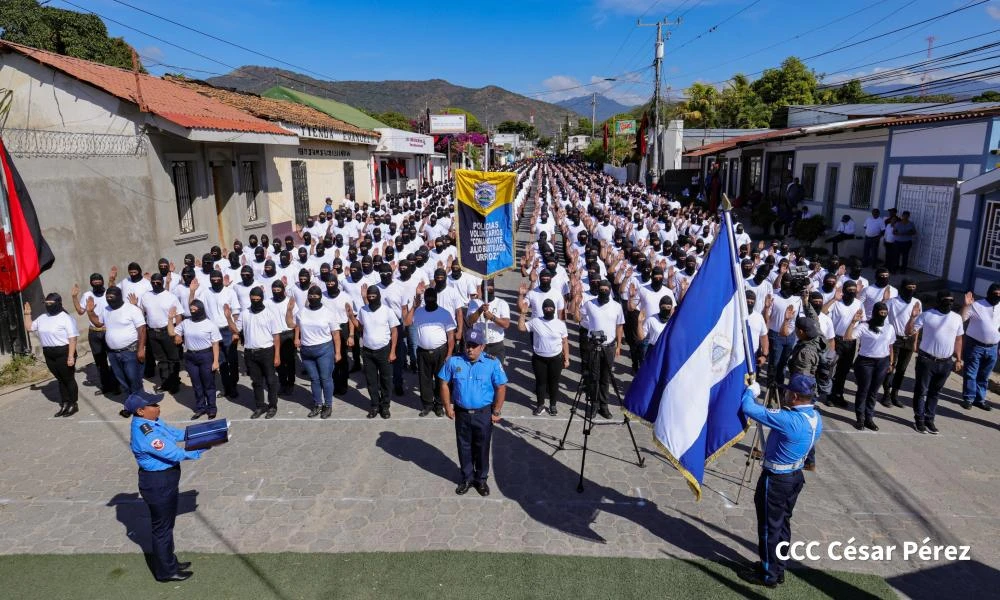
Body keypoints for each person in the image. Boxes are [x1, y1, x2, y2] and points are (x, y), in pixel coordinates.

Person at [738, 374, 822, 588]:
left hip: (777, 480)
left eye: (787, 392)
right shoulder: (815, 417)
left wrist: (751, 391)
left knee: (768, 527)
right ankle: (778, 566)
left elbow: (750, 408)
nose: (784, 394)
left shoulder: (789, 419)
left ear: (794, 396)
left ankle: (768, 574)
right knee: (782, 524)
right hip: (794, 478)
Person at [126, 390, 202, 582]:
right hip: (158, 483)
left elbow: (173, 433)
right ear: (141, 411)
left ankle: (170, 562)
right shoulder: (145, 432)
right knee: (162, 530)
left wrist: (197, 433)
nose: (158, 407)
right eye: (153, 405)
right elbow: (173, 454)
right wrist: (200, 448)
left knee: (167, 525)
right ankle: (166, 572)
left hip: (165, 480)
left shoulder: (152, 422)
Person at [438, 329, 508, 497]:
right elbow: (443, 383)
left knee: (482, 447)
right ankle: (467, 478)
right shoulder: (454, 362)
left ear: (482, 346)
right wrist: (447, 406)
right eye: (467, 345)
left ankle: (481, 479)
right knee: (464, 446)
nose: (470, 349)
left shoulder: (492, 363)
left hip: (483, 413)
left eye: (474, 346)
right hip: (461, 413)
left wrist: (497, 411)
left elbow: (501, 387)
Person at [906, 291, 965, 434]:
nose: (949, 303)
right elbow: (909, 332)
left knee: (935, 393)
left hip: (946, 363)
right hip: (927, 360)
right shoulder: (927, 315)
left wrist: (958, 358)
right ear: (938, 301)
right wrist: (912, 318)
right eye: (946, 300)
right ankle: (919, 420)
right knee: (921, 391)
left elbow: (958, 339)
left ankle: (929, 419)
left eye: (951, 301)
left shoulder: (956, 318)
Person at [87, 286, 146, 416]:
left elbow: (141, 329)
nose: (110, 300)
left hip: (130, 351)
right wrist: (90, 312)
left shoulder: (132, 309)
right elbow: (98, 323)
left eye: (112, 297)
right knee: (123, 381)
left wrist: (141, 349)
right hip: (113, 353)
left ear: (120, 296)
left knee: (133, 380)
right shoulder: (106, 309)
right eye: (108, 297)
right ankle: (130, 405)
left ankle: (139, 407)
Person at [23, 294, 79, 417]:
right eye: (46, 303)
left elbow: (73, 339)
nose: (48, 306)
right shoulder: (43, 317)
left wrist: (70, 356)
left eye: (51, 303)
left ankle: (73, 403)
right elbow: (29, 327)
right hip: (49, 353)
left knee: (68, 379)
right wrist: (27, 314)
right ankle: (65, 403)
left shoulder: (66, 318)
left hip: (64, 352)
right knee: (60, 379)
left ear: (58, 303)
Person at [404, 286, 456, 417]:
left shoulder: (444, 313)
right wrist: (414, 307)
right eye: (427, 298)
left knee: (440, 379)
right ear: (424, 299)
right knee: (424, 380)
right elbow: (407, 322)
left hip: (441, 351)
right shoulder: (419, 312)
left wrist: (449, 354)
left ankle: (439, 405)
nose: (430, 300)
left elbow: (451, 336)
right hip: (423, 351)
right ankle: (427, 405)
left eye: (432, 298)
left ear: (436, 299)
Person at [349, 286, 399, 419]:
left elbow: (394, 331)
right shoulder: (363, 310)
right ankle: (374, 405)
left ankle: (385, 406)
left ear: (378, 296)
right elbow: (360, 327)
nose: (371, 298)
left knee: (386, 380)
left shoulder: (387, 311)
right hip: (367, 351)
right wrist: (351, 317)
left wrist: (393, 351)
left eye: (373, 296)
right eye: (369, 297)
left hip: (384, 350)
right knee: (371, 381)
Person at [293, 286, 342, 419]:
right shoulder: (302, 312)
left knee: (325, 378)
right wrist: (296, 337)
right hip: (306, 351)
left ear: (320, 297)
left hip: (324, 349)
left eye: (315, 296)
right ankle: (317, 404)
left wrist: (338, 352)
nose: (313, 298)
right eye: (310, 296)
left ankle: (328, 405)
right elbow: (296, 325)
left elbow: (336, 333)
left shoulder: (328, 312)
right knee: (314, 379)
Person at [168, 300, 220, 420]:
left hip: (206, 356)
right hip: (190, 357)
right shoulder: (186, 323)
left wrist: (216, 361)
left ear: (201, 309)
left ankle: (212, 408)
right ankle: (200, 408)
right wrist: (170, 319)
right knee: (196, 385)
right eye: (191, 310)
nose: (193, 312)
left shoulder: (210, 324)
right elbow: (172, 332)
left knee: (208, 384)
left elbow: (215, 344)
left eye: (195, 310)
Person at [579, 279, 624, 419]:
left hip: (609, 346)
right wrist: (575, 301)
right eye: (601, 289)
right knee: (594, 377)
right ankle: (594, 405)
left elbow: (619, 326)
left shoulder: (616, 306)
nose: (603, 291)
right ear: (598, 289)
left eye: (606, 289)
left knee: (606, 378)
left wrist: (619, 344)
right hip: (593, 346)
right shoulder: (589, 304)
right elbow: (577, 318)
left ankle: (604, 406)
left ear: (610, 290)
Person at [517, 297, 570, 416]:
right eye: (546, 307)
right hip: (539, 358)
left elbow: (565, 342)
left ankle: (553, 405)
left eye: (551, 307)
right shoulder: (535, 321)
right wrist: (523, 314)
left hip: (556, 358)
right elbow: (521, 327)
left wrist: (566, 358)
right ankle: (540, 405)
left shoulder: (560, 324)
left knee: (554, 383)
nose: (548, 309)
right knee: (540, 383)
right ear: (543, 309)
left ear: (554, 309)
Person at [847, 301, 895, 431]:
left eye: (885, 313)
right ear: (874, 313)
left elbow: (890, 346)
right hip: (865, 362)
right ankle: (860, 418)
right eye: (881, 313)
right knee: (864, 390)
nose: (883, 315)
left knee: (874, 392)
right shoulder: (864, 326)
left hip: (882, 362)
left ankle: (869, 418)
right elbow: (848, 337)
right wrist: (853, 322)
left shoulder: (889, 327)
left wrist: (891, 362)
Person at [236, 286, 282, 419]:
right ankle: (260, 406)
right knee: (256, 382)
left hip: (267, 351)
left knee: (271, 380)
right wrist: (228, 318)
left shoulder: (269, 314)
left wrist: (277, 355)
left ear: (262, 299)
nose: (255, 301)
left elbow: (276, 336)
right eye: (253, 299)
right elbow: (236, 329)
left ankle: (273, 406)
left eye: (258, 299)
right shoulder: (245, 313)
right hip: (250, 353)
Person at [72, 273, 120, 396]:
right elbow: (80, 311)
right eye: (94, 281)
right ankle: (106, 386)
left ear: (102, 281)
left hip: (108, 331)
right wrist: (74, 297)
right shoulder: (87, 295)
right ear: (90, 282)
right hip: (94, 333)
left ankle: (116, 386)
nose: (97, 282)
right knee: (100, 362)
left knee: (113, 359)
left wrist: (112, 280)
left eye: (99, 280)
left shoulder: (107, 294)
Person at [880, 279, 920, 408]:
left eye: (914, 287)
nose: (911, 289)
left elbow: (918, 324)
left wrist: (915, 342)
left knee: (902, 369)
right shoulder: (893, 302)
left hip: (908, 340)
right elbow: (884, 318)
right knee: (890, 366)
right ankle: (886, 393)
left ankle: (895, 394)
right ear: (903, 288)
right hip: (894, 339)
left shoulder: (916, 302)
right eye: (909, 287)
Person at [142, 274, 183, 394]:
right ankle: (165, 383)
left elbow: (179, 315)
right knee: (161, 360)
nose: (155, 284)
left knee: (173, 359)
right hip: (152, 332)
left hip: (168, 332)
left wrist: (178, 333)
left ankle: (174, 383)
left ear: (162, 282)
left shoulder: (170, 297)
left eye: (158, 282)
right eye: (153, 282)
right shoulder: (146, 296)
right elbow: (141, 311)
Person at [960, 285, 1000, 410]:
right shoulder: (977, 305)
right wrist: (966, 305)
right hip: (975, 345)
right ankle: (969, 398)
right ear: (988, 293)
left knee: (984, 375)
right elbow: (961, 318)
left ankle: (979, 399)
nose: (997, 296)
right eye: (995, 293)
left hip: (993, 347)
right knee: (971, 373)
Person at [467, 279, 511, 364]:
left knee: (496, 372)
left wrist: (492, 317)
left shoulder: (502, 303)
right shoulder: (474, 303)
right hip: (478, 344)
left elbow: (506, 324)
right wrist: (480, 310)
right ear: (482, 290)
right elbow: (470, 321)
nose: (488, 291)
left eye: (490, 289)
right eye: (486, 289)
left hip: (496, 345)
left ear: (494, 288)